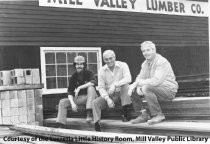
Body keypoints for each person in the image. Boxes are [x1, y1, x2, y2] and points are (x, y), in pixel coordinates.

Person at [128, 41, 178, 125]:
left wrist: (140, 84)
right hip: (155, 90)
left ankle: (158, 115)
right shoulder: (145, 64)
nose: (145, 53)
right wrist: (133, 86)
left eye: (148, 50)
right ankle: (143, 115)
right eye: (143, 51)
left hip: (168, 90)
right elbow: (139, 77)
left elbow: (156, 81)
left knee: (145, 88)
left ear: (154, 50)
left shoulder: (161, 61)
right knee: (132, 89)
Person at [92, 50, 132, 132]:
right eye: (106, 59)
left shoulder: (123, 65)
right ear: (104, 60)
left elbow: (128, 79)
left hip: (122, 93)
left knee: (126, 86)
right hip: (110, 95)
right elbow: (101, 87)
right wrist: (107, 99)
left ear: (115, 57)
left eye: (111, 58)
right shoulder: (101, 71)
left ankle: (125, 114)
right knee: (95, 103)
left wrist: (115, 85)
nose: (109, 61)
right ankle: (97, 124)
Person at [56, 55, 97, 128]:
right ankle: (61, 125)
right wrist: (72, 104)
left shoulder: (89, 72)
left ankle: (89, 114)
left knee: (91, 87)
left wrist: (79, 88)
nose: (79, 66)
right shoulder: (73, 77)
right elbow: (70, 91)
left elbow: (93, 82)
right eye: (77, 64)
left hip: (92, 97)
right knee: (62, 102)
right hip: (82, 98)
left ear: (84, 65)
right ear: (75, 65)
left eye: (81, 64)